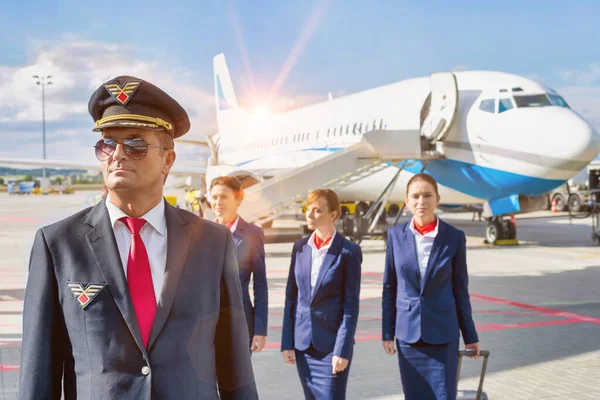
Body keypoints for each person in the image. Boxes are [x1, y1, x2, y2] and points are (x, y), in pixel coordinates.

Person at [18, 76, 258, 399]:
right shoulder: (58, 246)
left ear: (168, 161)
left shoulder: (213, 243)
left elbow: (236, 371)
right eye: (106, 144)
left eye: (135, 144)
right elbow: (38, 380)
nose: (117, 154)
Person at [381, 173, 481, 400]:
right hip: (409, 336)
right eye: (415, 196)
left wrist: (470, 336)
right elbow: (390, 287)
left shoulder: (454, 237)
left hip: (443, 335)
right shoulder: (395, 236)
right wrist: (387, 331)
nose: (421, 201)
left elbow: (460, 289)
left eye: (427, 195)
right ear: (406, 202)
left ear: (437, 199)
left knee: (444, 395)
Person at [281, 189, 362, 400]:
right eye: (309, 209)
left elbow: (351, 307)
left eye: (317, 210)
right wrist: (286, 341)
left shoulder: (349, 251)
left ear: (333, 215)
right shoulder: (300, 248)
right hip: (303, 345)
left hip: (331, 346)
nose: (310, 214)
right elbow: (292, 297)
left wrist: (342, 350)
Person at [210, 176, 268, 353]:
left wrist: (260, 329)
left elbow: (260, 284)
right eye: (214, 197)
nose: (218, 202)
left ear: (238, 198)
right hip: (206, 324)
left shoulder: (253, 234)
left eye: (224, 197)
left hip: (240, 323)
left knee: (236, 379)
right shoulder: (201, 232)